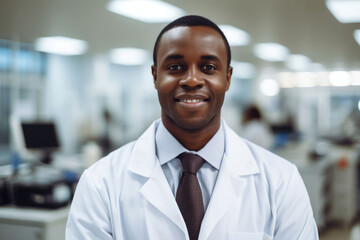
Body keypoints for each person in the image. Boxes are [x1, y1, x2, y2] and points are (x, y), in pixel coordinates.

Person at [66, 15, 319, 240]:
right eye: (175, 67)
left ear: (227, 78)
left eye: (208, 67)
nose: (192, 80)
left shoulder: (281, 182)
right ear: (155, 76)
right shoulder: (100, 184)